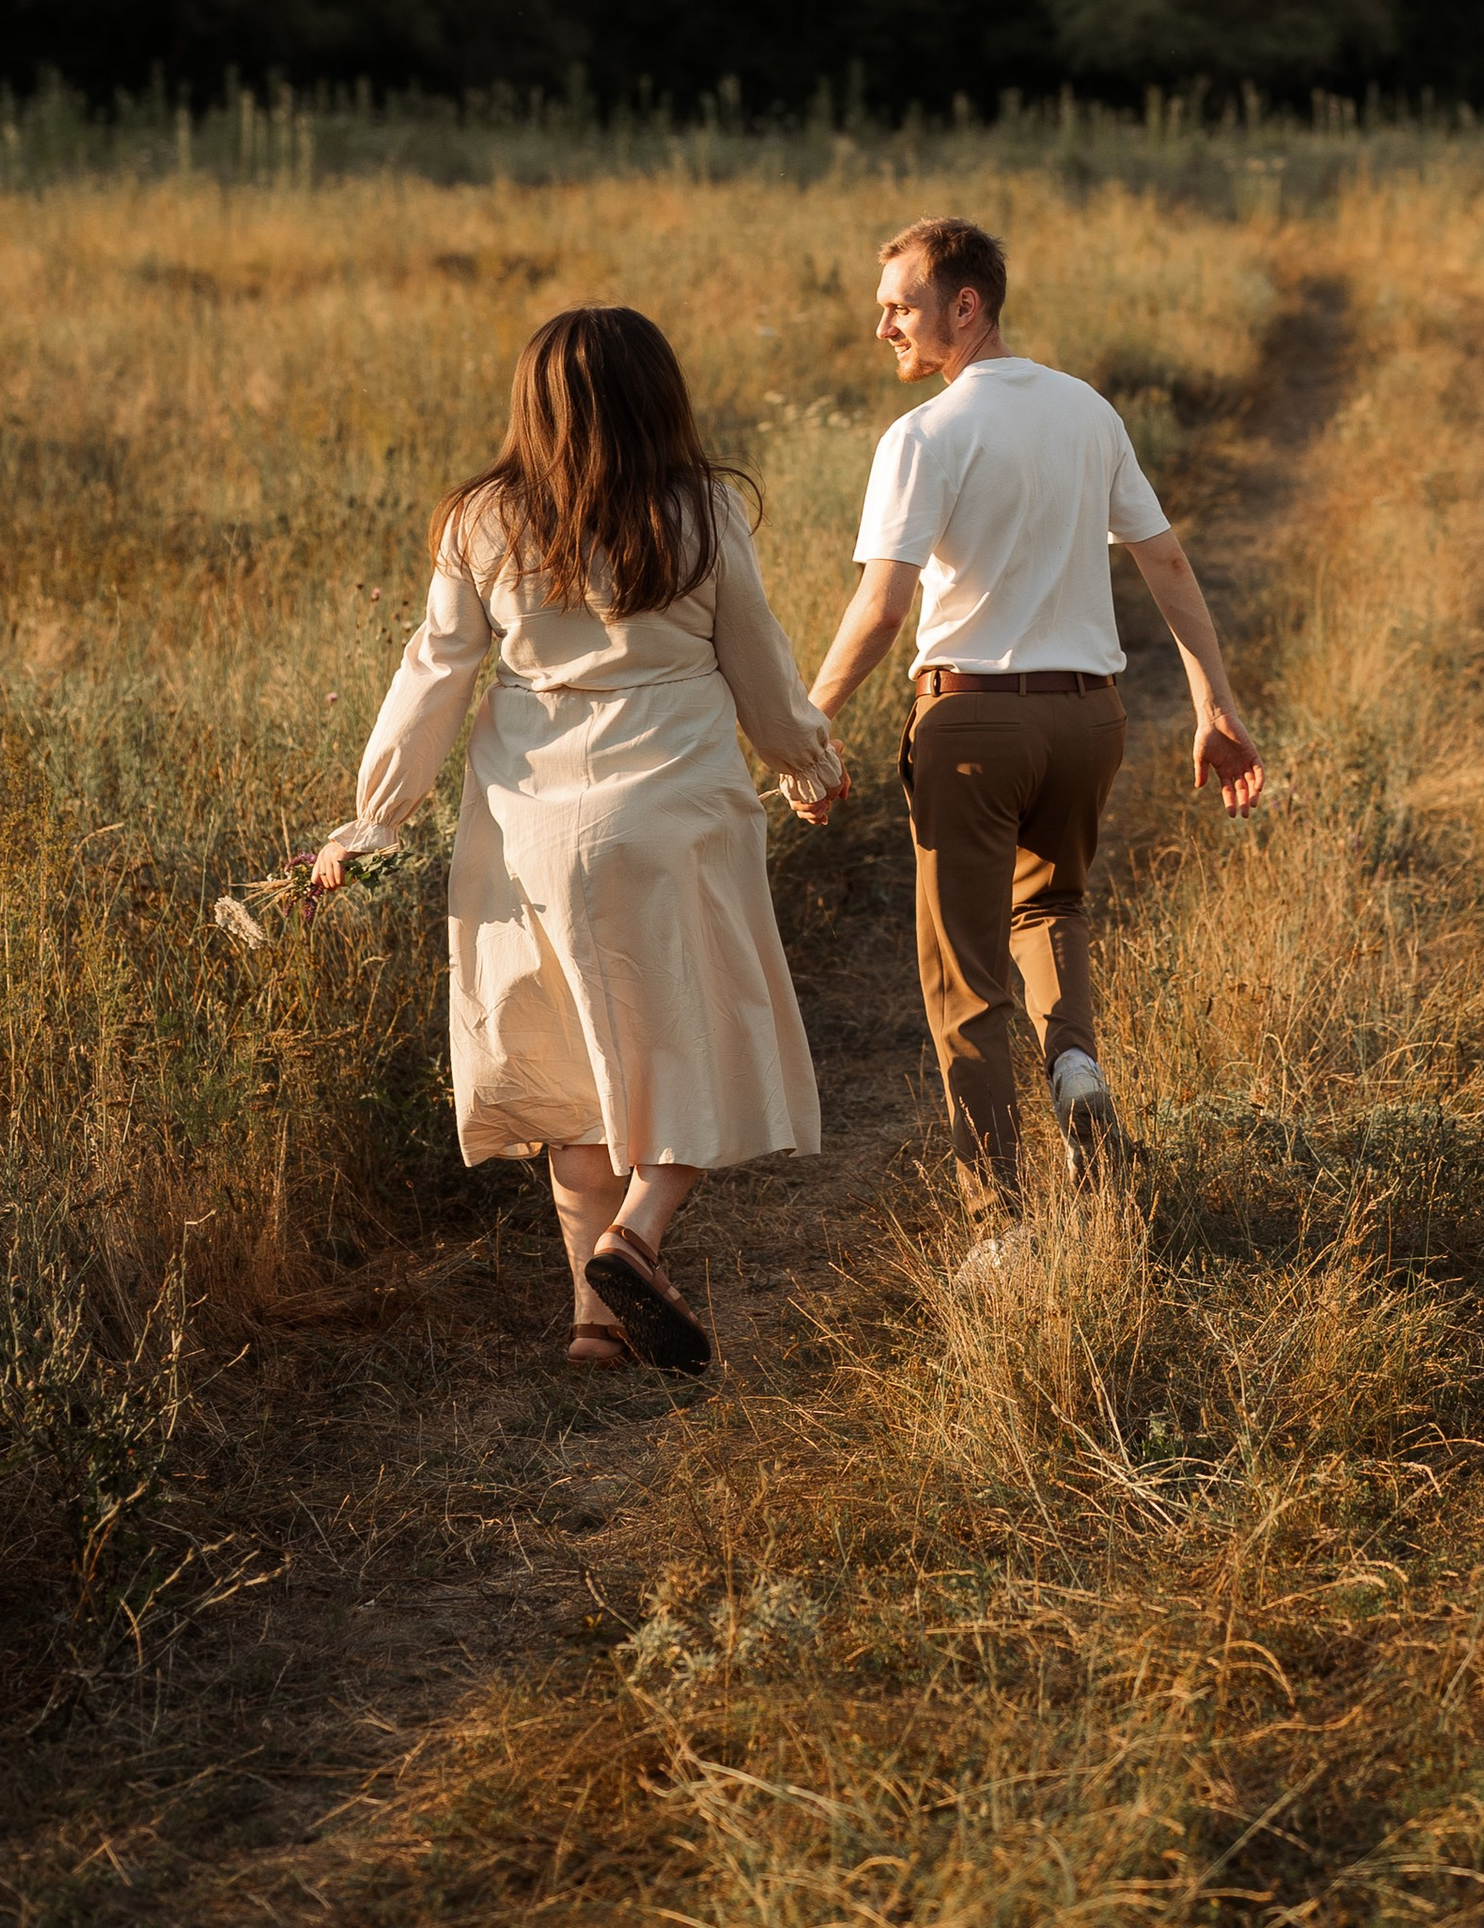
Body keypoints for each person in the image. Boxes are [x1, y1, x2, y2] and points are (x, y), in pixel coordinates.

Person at [309, 304, 847, 1372]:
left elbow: (431, 678)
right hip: (674, 822)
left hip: (525, 838)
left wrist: (372, 822)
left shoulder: (478, 521)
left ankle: (591, 1326)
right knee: (702, 1040)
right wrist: (809, 765)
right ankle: (635, 1238)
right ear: (660, 395)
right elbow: (761, 670)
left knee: (569, 1074)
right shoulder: (701, 512)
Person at [806, 215, 1262, 1241]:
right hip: (1090, 720)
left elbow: (882, 609)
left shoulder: (923, 435)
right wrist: (1212, 701)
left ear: (965, 304)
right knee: (1049, 905)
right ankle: (1075, 1067)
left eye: (901, 305)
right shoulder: (1087, 410)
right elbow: (1169, 564)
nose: (884, 325)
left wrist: (805, 725)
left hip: (972, 723)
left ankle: (999, 1222)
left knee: (962, 974)